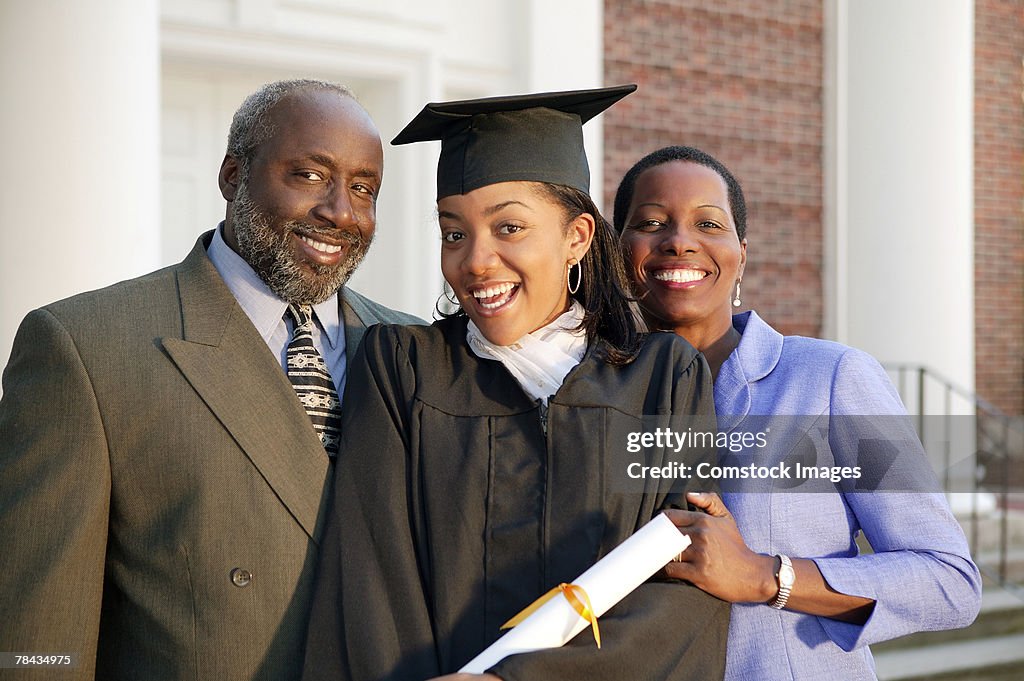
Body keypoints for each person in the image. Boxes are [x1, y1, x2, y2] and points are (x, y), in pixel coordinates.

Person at [302, 87, 730, 681]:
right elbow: (371, 572)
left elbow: (683, 593)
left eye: (509, 227)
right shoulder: (404, 368)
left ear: (577, 237)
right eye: (454, 233)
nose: (474, 260)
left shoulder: (662, 380)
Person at [0, 79, 422, 680]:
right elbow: (37, 646)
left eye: (364, 188)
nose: (340, 212)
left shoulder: (414, 352)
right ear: (231, 177)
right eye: (308, 175)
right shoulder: (86, 348)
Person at [613, 145, 982, 680]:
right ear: (618, 250)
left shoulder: (831, 380)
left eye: (708, 224)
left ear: (741, 253)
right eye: (651, 223)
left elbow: (948, 580)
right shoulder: (592, 394)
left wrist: (768, 576)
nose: (679, 241)